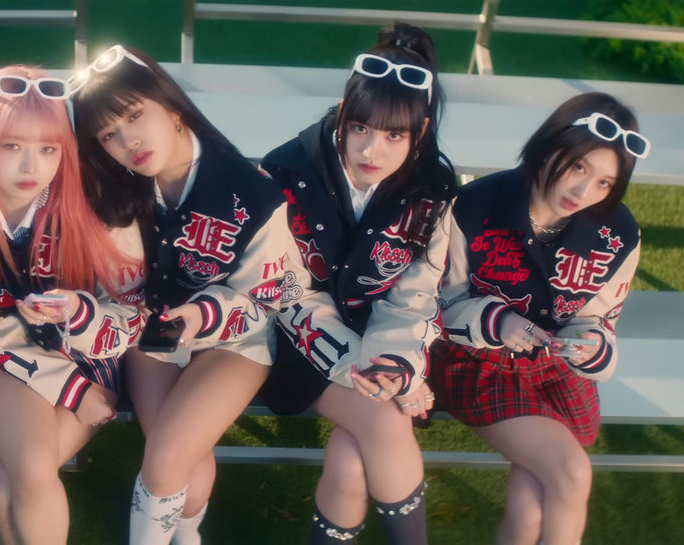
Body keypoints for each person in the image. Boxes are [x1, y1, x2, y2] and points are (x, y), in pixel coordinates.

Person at [69, 44, 306, 545]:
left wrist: (203, 315)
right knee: (191, 482)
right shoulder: (113, 190)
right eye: (108, 134)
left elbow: (269, 295)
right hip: (152, 337)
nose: (128, 141)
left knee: (168, 461)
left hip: (232, 339)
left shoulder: (251, 191)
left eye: (135, 115)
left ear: (171, 105)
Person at [258, 23, 455, 544]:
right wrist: (356, 363)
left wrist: (394, 364)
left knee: (349, 463)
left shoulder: (433, 186)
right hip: (299, 342)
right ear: (343, 113)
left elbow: (416, 291)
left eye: (394, 136)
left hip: (389, 343)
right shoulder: (287, 172)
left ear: (420, 131)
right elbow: (284, 291)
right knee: (385, 426)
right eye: (361, 128)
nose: (372, 150)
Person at [0, 65, 145, 544]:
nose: (31, 167)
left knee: (12, 479)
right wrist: (67, 389)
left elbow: (134, 314)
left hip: (90, 354)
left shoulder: (100, 204)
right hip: (4, 355)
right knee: (29, 468)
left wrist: (79, 312)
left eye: (49, 148)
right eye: (11, 146)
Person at [428, 92, 644, 544]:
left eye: (604, 182)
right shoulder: (475, 207)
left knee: (530, 514)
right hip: (479, 364)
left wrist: (589, 342)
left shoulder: (618, 233)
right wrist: (499, 322)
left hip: (556, 368)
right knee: (571, 471)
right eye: (578, 167)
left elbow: (600, 314)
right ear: (550, 146)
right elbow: (441, 302)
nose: (583, 192)